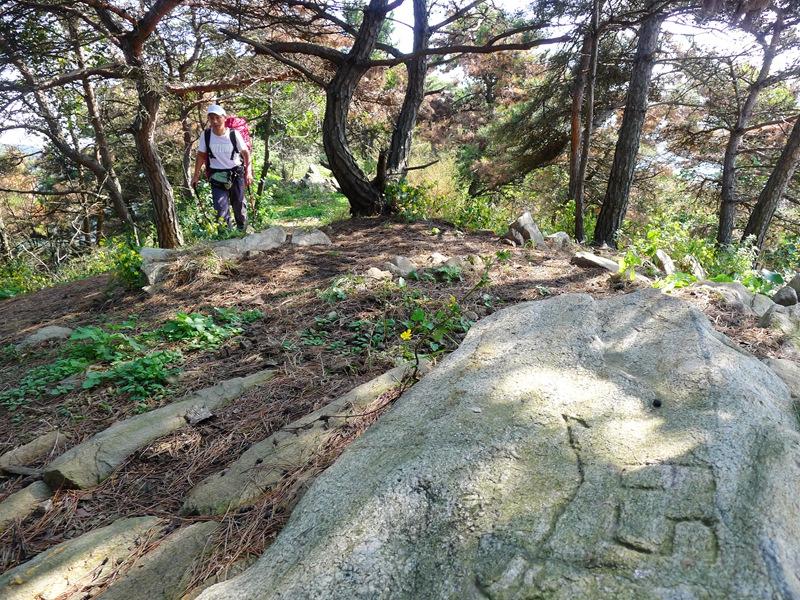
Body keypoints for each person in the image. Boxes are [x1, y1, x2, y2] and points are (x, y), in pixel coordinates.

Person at [191, 104, 253, 230]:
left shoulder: (233, 134)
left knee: (239, 205)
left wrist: (248, 172)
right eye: (211, 118)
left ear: (224, 118)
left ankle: (242, 233)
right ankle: (225, 236)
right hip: (217, 176)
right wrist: (195, 176)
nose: (214, 121)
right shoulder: (206, 135)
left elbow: (245, 153)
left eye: (218, 118)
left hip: (236, 173)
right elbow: (201, 156)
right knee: (220, 209)